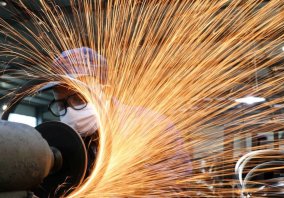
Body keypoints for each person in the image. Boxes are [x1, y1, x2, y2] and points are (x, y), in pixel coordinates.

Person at [43, 47, 192, 194]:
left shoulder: (151, 126)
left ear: (106, 91)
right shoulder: (65, 144)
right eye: (61, 104)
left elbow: (179, 185)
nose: (70, 111)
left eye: (79, 98)